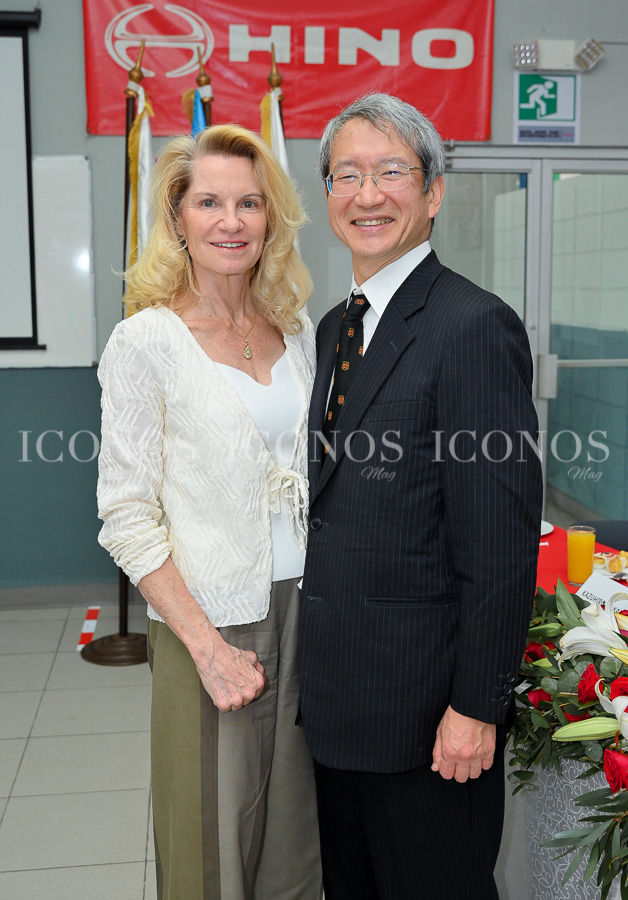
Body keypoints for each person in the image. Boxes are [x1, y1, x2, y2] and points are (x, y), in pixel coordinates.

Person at [298, 93, 543, 899]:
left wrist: (476, 707)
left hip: (429, 720)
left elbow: (499, 544)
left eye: (391, 171)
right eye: (347, 175)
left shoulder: (473, 325)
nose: (368, 194)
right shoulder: (337, 325)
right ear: (327, 195)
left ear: (433, 194)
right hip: (340, 705)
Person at [97, 124, 322, 900]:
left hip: (309, 610)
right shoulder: (146, 342)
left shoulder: (296, 335)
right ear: (178, 218)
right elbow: (125, 514)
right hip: (214, 619)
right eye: (211, 202)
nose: (231, 221)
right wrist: (206, 647)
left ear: (272, 220)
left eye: (250, 203)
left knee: (299, 840)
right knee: (211, 847)